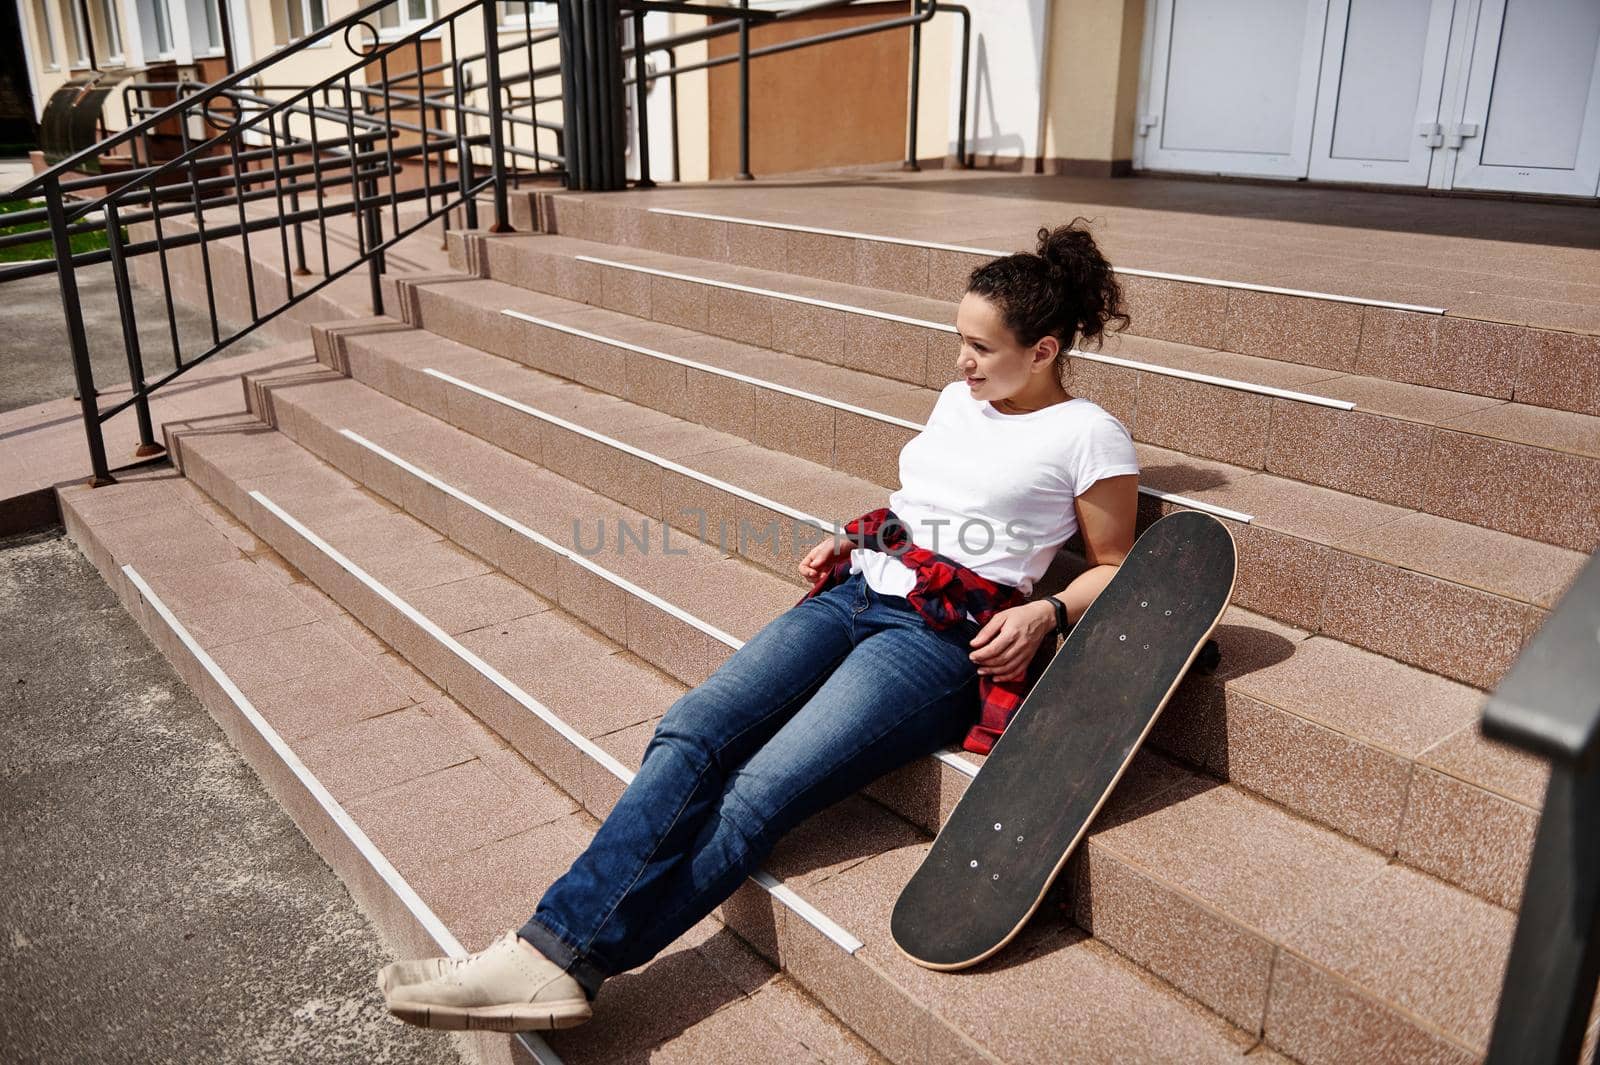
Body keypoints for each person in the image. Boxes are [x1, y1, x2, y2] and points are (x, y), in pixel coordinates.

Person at [377, 219, 1141, 1033]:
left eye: (982, 347)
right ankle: (548, 954)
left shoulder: (1087, 434)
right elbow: (927, 501)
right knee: (694, 728)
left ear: (1046, 349)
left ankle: (558, 958)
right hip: (857, 590)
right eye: (960, 339)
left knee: (757, 792)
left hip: (937, 641)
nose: (963, 360)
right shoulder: (961, 400)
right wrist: (851, 538)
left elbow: (1119, 562)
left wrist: (1046, 609)